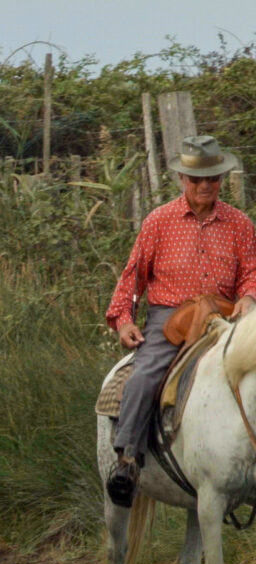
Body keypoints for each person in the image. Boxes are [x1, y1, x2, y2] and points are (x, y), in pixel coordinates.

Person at [104, 134, 256, 508]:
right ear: (183, 180)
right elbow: (133, 277)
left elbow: (251, 272)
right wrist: (123, 319)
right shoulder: (159, 221)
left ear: (222, 178)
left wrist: (249, 297)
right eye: (197, 179)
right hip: (170, 319)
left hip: (225, 316)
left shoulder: (240, 224)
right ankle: (127, 458)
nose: (205, 186)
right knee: (144, 375)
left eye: (212, 178)